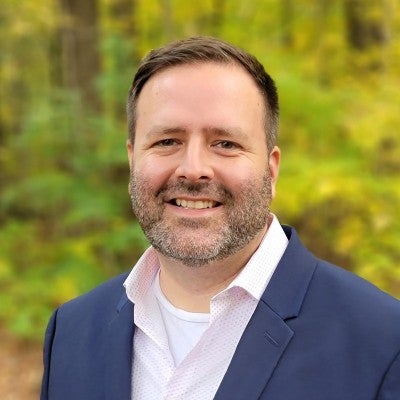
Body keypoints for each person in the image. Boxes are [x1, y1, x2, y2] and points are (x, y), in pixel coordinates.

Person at [40, 36, 400, 400]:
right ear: (133, 159)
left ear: (271, 171)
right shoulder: (71, 333)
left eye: (225, 143)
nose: (193, 169)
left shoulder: (384, 342)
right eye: (167, 141)